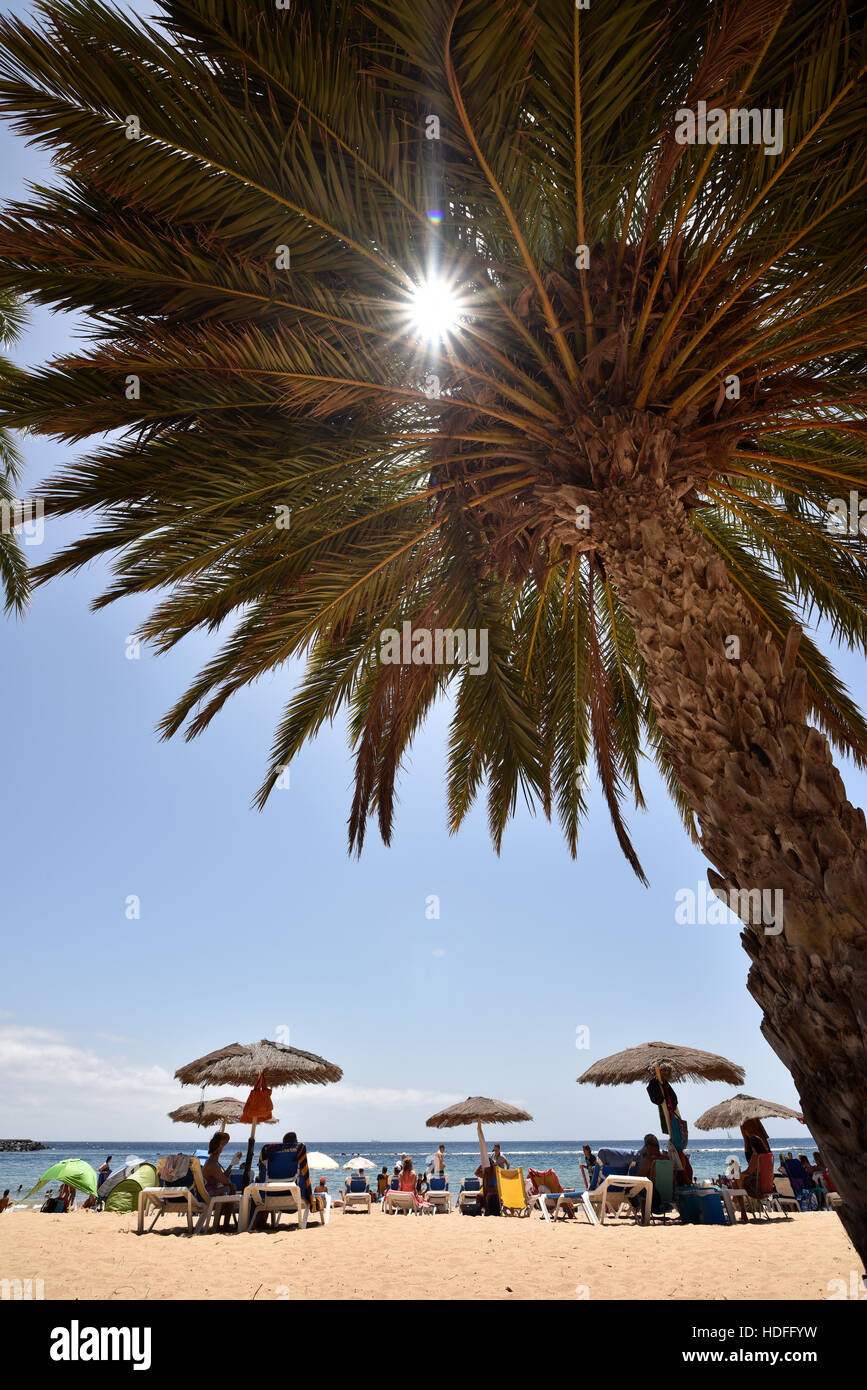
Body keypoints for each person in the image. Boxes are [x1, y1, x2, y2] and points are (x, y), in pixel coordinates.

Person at [203, 1131, 242, 1229]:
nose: (222, 1149)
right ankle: (225, 1224)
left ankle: (223, 1223)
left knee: (229, 1187)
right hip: (209, 1194)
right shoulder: (212, 1164)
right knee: (231, 1187)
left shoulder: (212, 1161)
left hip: (210, 1191)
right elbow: (225, 1181)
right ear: (217, 1148)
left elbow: (221, 1177)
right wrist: (233, 1162)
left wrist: (232, 1164)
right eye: (222, 1146)